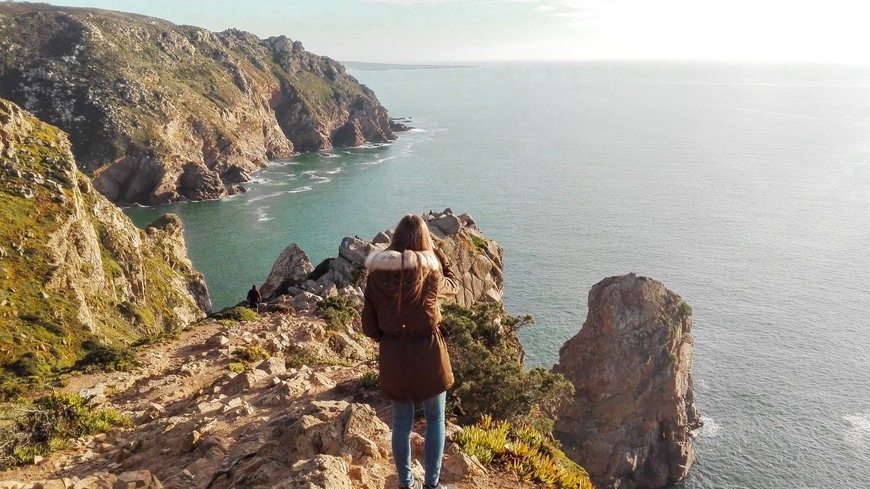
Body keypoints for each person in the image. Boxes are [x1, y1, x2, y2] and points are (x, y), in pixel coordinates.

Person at [362, 214, 458, 489]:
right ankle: (432, 484)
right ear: (423, 241)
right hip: (429, 356)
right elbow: (455, 286)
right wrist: (439, 257)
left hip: (394, 358)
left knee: (401, 423)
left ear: (395, 239)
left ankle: (406, 483)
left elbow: (368, 326)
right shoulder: (430, 273)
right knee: (435, 419)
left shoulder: (376, 276)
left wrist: (391, 338)